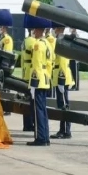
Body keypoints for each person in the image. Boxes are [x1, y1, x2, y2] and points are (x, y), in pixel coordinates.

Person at [26, 16, 54, 146]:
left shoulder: (37, 44)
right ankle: (45, 137)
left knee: (38, 111)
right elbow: (50, 63)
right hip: (45, 78)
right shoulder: (47, 43)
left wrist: (33, 83)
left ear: (37, 30)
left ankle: (40, 138)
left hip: (38, 80)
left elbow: (36, 65)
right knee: (43, 110)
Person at [49, 22, 76, 138]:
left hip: (62, 78)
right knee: (61, 105)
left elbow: (63, 63)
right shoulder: (60, 40)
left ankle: (65, 131)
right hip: (60, 78)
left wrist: (61, 80)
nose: (53, 30)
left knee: (64, 105)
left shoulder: (61, 42)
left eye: (54, 28)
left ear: (59, 29)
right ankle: (63, 130)